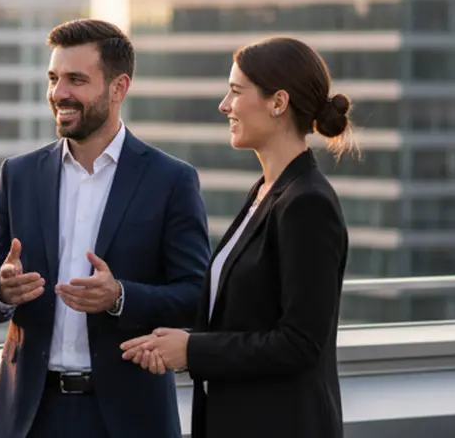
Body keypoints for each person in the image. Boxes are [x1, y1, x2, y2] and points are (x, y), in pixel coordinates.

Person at [0, 19, 211, 438]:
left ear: (118, 88)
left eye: (76, 80)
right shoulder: (18, 175)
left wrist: (120, 297)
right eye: (54, 78)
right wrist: (1, 292)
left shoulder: (171, 180)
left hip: (129, 419)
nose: (59, 93)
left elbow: (196, 295)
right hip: (29, 417)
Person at [120, 36, 355, 438]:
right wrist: (179, 341)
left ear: (277, 103)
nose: (224, 105)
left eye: (235, 91)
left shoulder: (307, 204)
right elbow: (247, 318)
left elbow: (299, 343)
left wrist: (192, 351)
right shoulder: (266, 191)